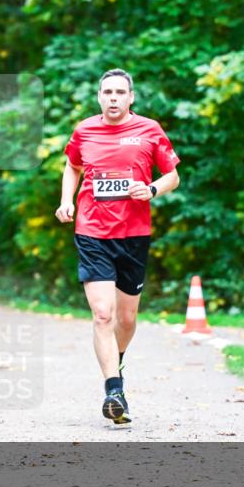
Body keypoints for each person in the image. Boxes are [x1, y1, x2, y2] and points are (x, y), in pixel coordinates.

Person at [54, 68, 180, 425]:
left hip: (134, 234)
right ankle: (113, 389)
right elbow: (72, 167)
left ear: (131, 97)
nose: (113, 98)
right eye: (107, 92)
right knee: (103, 314)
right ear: (99, 97)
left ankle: (117, 360)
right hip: (92, 231)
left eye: (120, 92)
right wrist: (66, 201)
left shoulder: (149, 130)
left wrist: (151, 189)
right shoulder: (84, 130)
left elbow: (173, 176)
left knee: (126, 319)